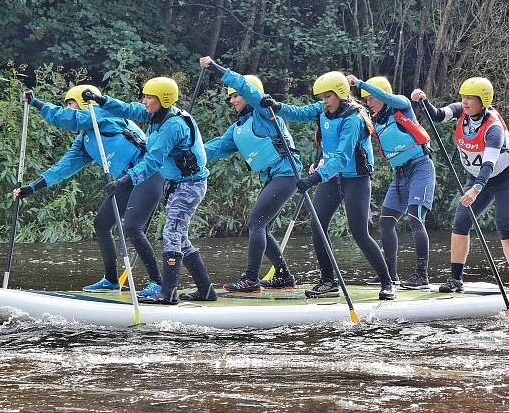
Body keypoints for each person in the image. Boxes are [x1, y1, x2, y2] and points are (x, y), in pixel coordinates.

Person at [14, 85, 164, 296]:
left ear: (84, 103)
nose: (68, 108)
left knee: (132, 227)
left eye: (71, 103)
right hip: (125, 181)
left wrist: (37, 103)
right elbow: (63, 168)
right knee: (101, 224)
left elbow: (71, 119)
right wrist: (30, 188)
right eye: (66, 105)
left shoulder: (103, 113)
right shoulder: (85, 141)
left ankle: (158, 283)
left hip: (148, 173)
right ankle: (111, 281)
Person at [260, 71, 396, 301]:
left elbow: (342, 157)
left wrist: (314, 177)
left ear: (341, 94)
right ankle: (328, 280)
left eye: (328, 96)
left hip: (355, 179)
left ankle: (387, 282)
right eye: (322, 96)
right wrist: (276, 106)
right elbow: (299, 113)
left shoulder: (353, 119)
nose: (324, 101)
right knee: (317, 226)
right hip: (331, 178)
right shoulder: (323, 110)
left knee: (359, 232)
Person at [84, 77, 217, 304]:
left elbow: (153, 162)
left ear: (163, 99)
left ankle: (168, 294)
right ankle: (206, 290)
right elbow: (127, 109)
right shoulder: (155, 114)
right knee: (180, 238)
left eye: (149, 97)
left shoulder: (173, 126)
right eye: (144, 96)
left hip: (190, 185)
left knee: (172, 234)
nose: (144, 101)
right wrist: (101, 100)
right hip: (176, 184)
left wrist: (124, 180)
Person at [411, 77, 509, 292]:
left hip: (505, 179)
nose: (464, 102)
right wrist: (423, 101)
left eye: (470, 98)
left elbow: (489, 164)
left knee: (505, 227)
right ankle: (456, 279)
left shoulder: (493, 128)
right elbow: (436, 116)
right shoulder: (460, 111)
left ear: (483, 100)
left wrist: (475, 189)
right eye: (463, 97)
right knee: (460, 224)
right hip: (476, 179)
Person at [199, 56, 301, 292]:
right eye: (231, 96)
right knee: (262, 225)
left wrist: (217, 69)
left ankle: (250, 279)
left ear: (250, 94)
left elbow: (249, 90)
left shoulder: (264, 111)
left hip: (287, 173)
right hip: (272, 178)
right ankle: (284, 276)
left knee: (256, 221)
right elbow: (212, 149)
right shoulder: (236, 129)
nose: (233, 100)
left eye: (236, 95)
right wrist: (184, 151)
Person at [346, 75, 435, 289]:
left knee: (415, 219)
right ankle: (390, 275)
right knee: (386, 222)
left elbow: (387, 97)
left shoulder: (402, 107)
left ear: (381, 95)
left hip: (420, 168)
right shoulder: (375, 120)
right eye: (366, 99)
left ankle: (421, 276)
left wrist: (359, 84)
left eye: (371, 98)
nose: (369, 102)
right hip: (400, 175)